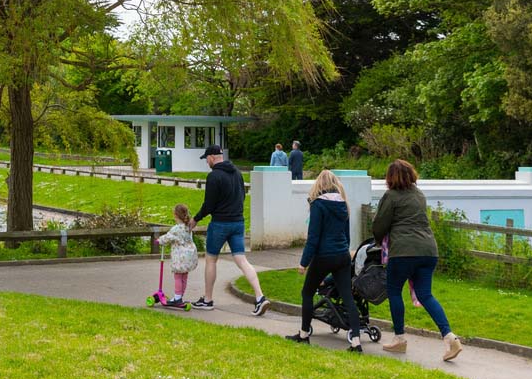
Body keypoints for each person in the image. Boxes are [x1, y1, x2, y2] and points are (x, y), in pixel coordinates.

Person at [370, 158, 463, 361]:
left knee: (394, 291)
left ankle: (399, 339)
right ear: (411, 174)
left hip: (403, 252)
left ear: (390, 178)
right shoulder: (419, 195)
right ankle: (450, 337)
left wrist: (378, 239)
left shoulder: (391, 196)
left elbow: (379, 225)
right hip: (429, 250)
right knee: (425, 295)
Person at [285, 169, 362, 351]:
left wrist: (304, 263)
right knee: (347, 297)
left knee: (307, 293)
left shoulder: (318, 205)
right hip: (342, 256)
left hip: (324, 255)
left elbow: (313, 238)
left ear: (319, 184)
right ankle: (356, 342)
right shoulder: (344, 204)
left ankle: (304, 334)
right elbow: (347, 236)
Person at [189, 144, 270, 315]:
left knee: (211, 259)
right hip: (238, 222)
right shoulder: (237, 173)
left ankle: (208, 299)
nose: (207, 163)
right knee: (242, 260)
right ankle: (260, 297)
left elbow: (209, 205)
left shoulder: (214, 176)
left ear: (211, 157)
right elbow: (242, 195)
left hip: (220, 223)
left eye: (206, 159)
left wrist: (196, 219)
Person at [154, 203, 200, 305]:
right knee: (184, 277)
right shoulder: (188, 227)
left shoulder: (176, 229)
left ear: (175, 215)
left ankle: (177, 298)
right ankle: (180, 296)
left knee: (178, 277)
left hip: (180, 257)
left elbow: (167, 237)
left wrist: (159, 240)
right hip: (189, 256)